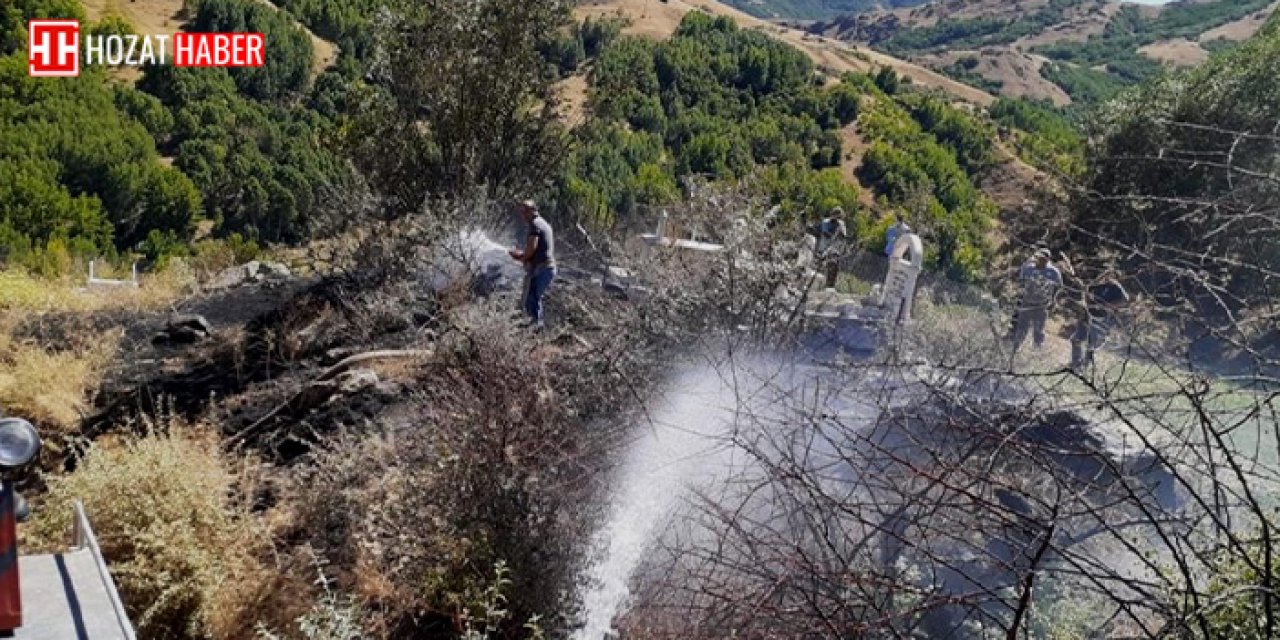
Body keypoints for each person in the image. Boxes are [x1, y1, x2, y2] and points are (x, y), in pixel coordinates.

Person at [508, 200, 556, 329]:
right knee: (533, 298)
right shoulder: (543, 223)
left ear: (532, 210)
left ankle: (535, 330)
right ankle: (535, 328)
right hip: (546, 268)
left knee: (532, 299)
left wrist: (521, 257)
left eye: (524, 211)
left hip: (542, 268)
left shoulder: (535, 224)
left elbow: (532, 246)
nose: (523, 215)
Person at [1070, 272, 1130, 370]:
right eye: (1103, 275)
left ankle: (1086, 366)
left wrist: (1108, 305)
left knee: (1091, 343)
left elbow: (1125, 299)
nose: (1104, 277)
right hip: (1087, 315)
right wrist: (1087, 303)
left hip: (1101, 318)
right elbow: (1085, 293)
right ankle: (1075, 362)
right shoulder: (1095, 284)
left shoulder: (1115, 287)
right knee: (1076, 339)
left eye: (1108, 276)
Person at [1011, 248, 1063, 353]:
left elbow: (1059, 288)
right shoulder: (1028, 268)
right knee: (1021, 328)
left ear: (1048, 259)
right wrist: (1020, 295)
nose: (1040, 260)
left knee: (1038, 331)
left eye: (1043, 258)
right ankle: (1015, 350)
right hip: (1026, 304)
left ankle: (1037, 352)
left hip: (1041, 306)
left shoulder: (1053, 272)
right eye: (1038, 257)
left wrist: (1054, 300)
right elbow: (1021, 282)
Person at [813, 207, 848, 290]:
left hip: (835, 249)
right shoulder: (826, 222)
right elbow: (825, 233)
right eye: (836, 216)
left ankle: (830, 285)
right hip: (824, 247)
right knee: (820, 266)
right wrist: (834, 234)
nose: (837, 219)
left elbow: (844, 235)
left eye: (839, 217)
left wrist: (840, 230)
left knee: (834, 267)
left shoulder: (841, 224)